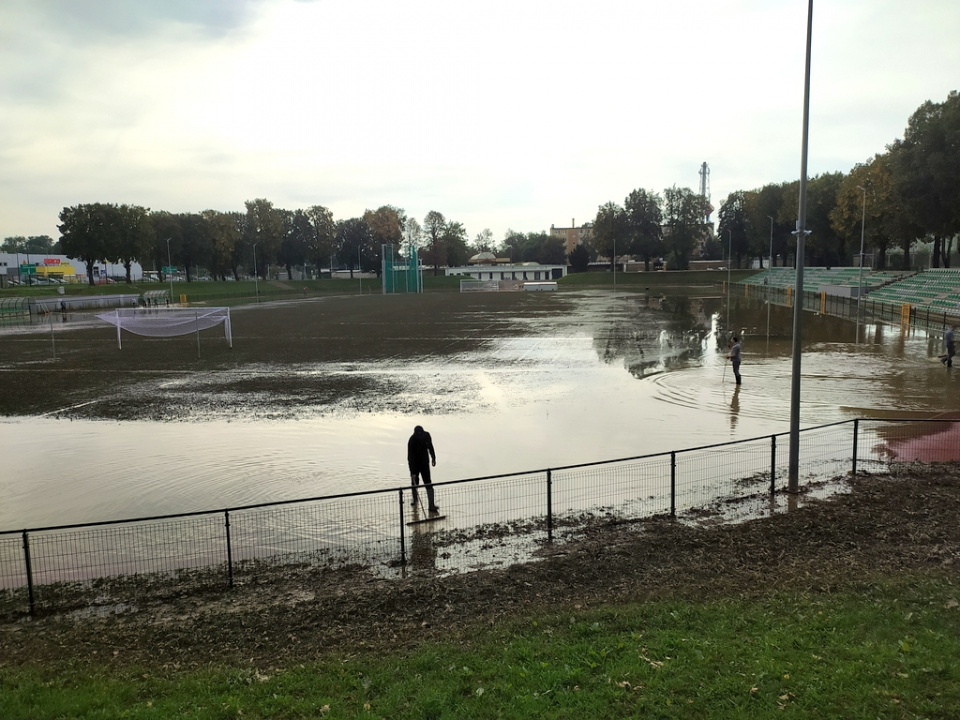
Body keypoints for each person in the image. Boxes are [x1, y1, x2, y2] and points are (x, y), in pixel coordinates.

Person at [407, 425, 438, 512]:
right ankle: (415, 501)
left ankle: (431, 505)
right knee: (414, 483)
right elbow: (410, 457)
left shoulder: (426, 436)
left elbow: (430, 447)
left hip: (425, 464)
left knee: (428, 483)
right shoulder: (412, 440)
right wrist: (412, 472)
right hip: (415, 465)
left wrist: (433, 458)